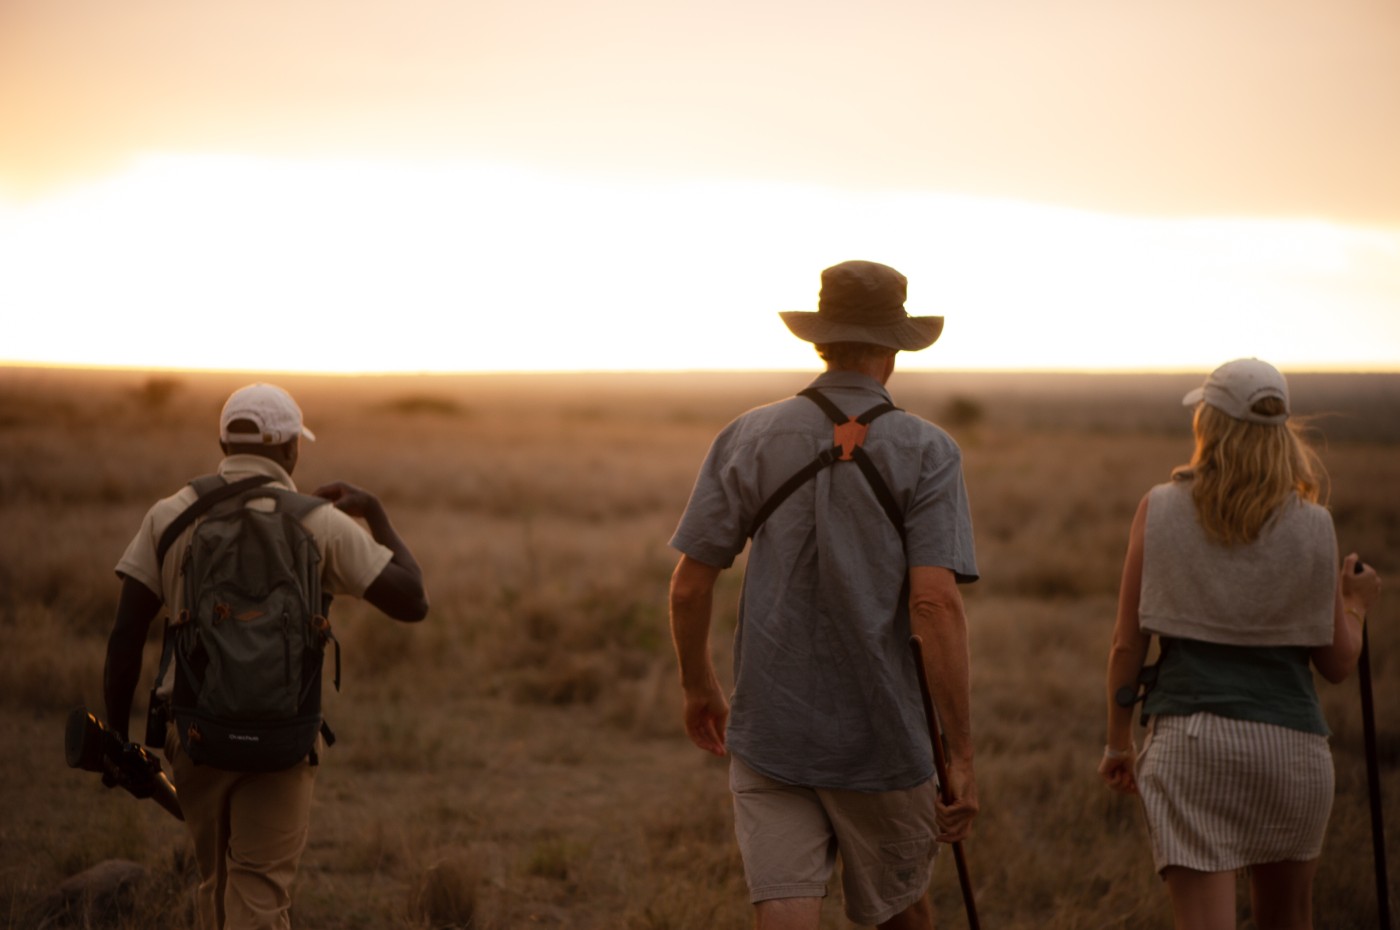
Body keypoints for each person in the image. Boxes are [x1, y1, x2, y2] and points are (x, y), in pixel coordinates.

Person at [668, 260, 980, 930]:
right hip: (885, 739)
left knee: (783, 907)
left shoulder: (747, 435)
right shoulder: (930, 450)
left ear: (821, 341)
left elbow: (690, 585)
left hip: (770, 732)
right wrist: (959, 753)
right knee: (901, 912)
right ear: (895, 348)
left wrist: (699, 687)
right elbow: (933, 605)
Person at [103, 383, 429, 930]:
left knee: (215, 885)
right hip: (283, 738)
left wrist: (118, 742)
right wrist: (374, 512)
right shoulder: (319, 523)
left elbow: (125, 636)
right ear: (290, 449)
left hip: (195, 733)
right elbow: (413, 600)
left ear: (224, 444)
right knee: (258, 894)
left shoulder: (170, 516)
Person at [1098, 358, 1383, 930]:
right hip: (1293, 752)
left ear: (1209, 425)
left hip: (1191, 747)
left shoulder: (1160, 507)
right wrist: (1355, 603)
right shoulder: (1315, 525)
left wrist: (1118, 743)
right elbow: (1337, 664)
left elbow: (1127, 646)